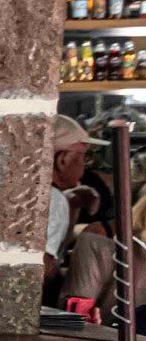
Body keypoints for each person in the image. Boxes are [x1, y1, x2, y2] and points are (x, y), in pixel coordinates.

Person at [44, 114, 105, 296]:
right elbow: (44, 266)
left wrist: (73, 207)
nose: (84, 166)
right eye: (83, 157)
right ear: (62, 160)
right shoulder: (53, 199)